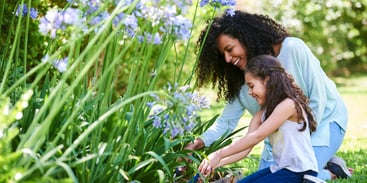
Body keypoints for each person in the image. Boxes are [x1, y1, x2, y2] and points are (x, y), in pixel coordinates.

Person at [184, 10, 351, 180]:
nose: (227, 59)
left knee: (304, 173)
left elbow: (319, 99)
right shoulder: (243, 79)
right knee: (270, 174)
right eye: (223, 55)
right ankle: (322, 163)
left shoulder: (293, 48)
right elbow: (226, 123)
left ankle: (331, 171)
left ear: (244, 37)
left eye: (230, 49)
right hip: (280, 140)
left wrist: (302, 146)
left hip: (324, 123)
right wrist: (198, 143)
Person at [199, 55, 319, 182]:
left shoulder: (289, 105)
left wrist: (218, 154)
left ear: (267, 81)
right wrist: (214, 164)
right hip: (280, 169)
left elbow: (257, 136)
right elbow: (246, 148)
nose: (250, 92)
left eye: (251, 86)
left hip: (300, 171)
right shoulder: (262, 113)